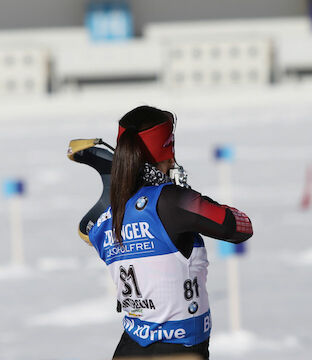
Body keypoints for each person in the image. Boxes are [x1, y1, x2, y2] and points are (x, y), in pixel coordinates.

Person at [67, 106, 253, 360]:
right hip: (179, 350)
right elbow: (240, 227)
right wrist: (186, 194)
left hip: (129, 348)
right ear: (168, 150)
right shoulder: (173, 202)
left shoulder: (105, 220)